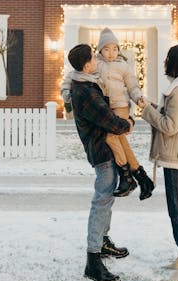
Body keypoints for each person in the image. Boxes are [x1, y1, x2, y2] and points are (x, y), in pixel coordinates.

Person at [67, 43, 135, 281]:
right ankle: (93, 260)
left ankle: (103, 243)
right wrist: (127, 125)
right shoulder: (85, 90)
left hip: (104, 148)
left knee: (106, 199)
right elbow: (105, 117)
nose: (98, 60)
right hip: (100, 151)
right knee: (101, 201)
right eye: (93, 59)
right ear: (87, 65)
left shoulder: (88, 82)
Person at [62, 28, 155, 200]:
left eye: (114, 49)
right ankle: (142, 177)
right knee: (122, 143)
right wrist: (65, 92)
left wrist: (138, 98)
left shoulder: (124, 66)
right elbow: (72, 75)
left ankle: (127, 176)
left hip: (119, 106)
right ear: (100, 50)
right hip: (105, 108)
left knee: (112, 138)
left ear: (119, 49)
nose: (111, 53)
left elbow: (133, 87)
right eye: (106, 49)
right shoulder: (95, 63)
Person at [139, 45, 178, 281]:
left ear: (175, 63)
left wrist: (147, 111)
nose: (165, 62)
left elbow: (169, 126)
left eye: (167, 59)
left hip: (177, 157)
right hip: (175, 156)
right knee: (176, 209)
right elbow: (171, 117)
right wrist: (153, 107)